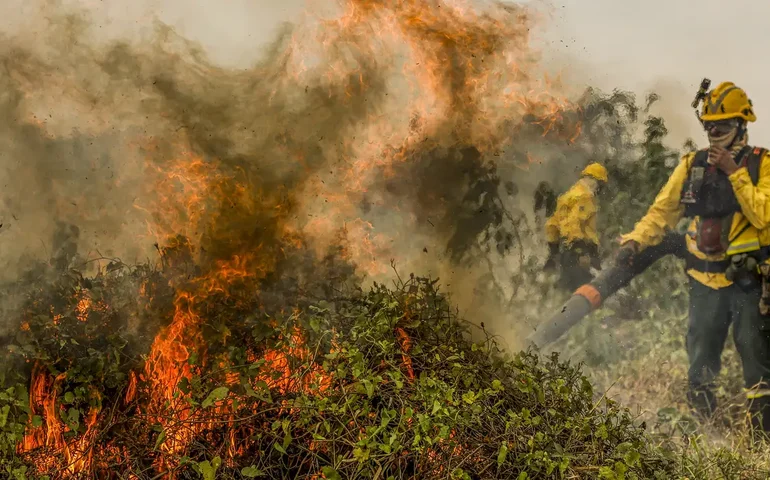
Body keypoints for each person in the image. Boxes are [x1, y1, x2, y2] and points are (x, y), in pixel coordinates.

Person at [617, 81, 770, 433]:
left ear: (742, 125)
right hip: (704, 281)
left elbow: (763, 215)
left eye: (724, 125)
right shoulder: (692, 165)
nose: (715, 132)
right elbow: (661, 213)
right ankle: (705, 435)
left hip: (749, 283)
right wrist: (635, 242)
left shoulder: (762, 164)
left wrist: (735, 172)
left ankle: (761, 443)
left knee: (758, 367)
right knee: (700, 363)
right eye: (710, 126)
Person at [544, 163, 608, 292]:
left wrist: (553, 252)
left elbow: (552, 225)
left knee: (568, 291)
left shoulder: (567, 196)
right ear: (591, 179)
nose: (599, 188)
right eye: (599, 184)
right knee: (589, 292)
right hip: (581, 252)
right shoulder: (585, 196)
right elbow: (574, 223)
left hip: (566, 253)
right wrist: (581, 251)